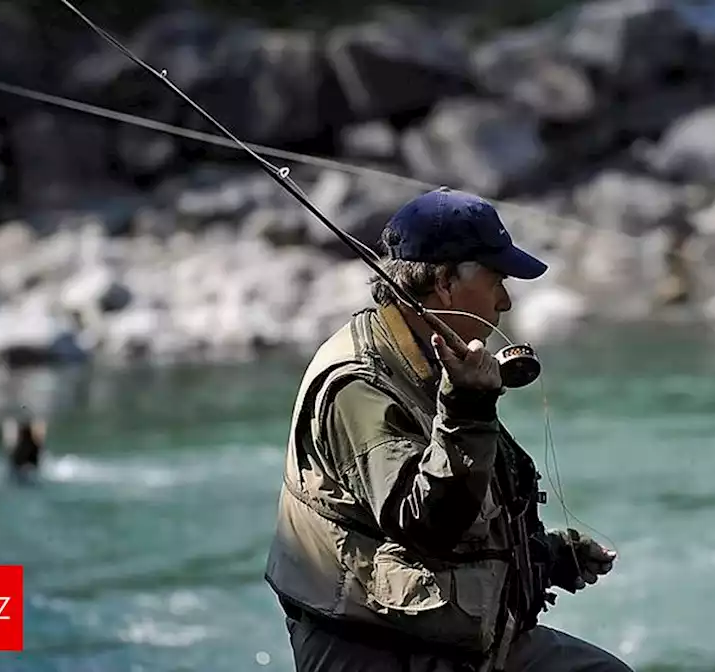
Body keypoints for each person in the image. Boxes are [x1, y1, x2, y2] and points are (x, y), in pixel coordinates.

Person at [264, 187, 632, 672]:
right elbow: (424, 524)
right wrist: (468, 407)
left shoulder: (433, 355)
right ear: (443, 280)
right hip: (376, 646)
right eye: (496, 278)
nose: (504, 300)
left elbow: (470, 499)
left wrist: (546, 557)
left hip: (455, 636)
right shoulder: (359, 386)